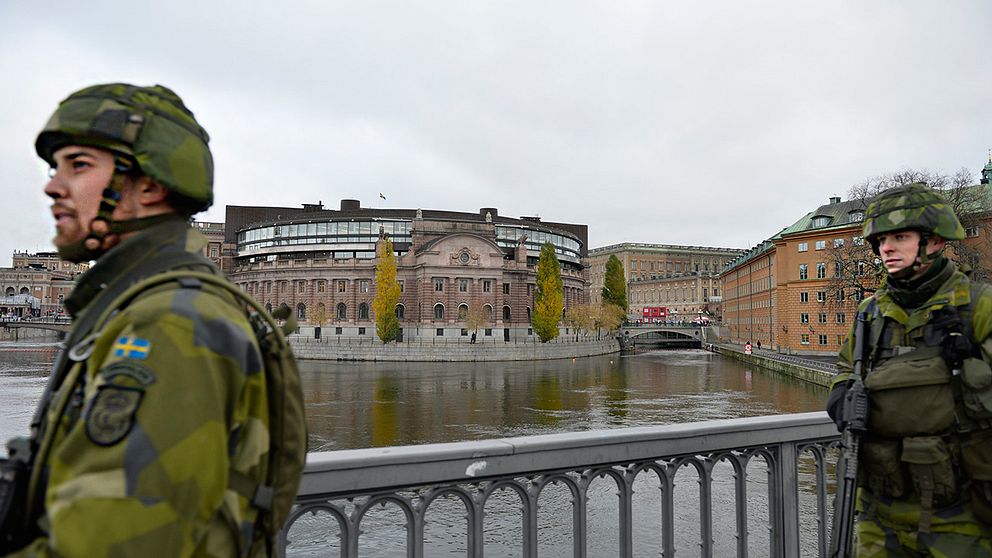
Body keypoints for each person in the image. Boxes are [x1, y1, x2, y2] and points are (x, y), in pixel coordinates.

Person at [2, 84, 279, 557]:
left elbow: (116, 545)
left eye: (79, 166)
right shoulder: (141, 305)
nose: (52, 185)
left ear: (149, 187)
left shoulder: (169, 324)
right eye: (56, 167)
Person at [827, 183, 992, 556]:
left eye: (900, 237)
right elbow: (845, 367)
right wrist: (841, 398)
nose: (886, 248)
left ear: (934, 241)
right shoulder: (871, 313)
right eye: (881, 239)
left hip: (962, 514)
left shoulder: (978, 307)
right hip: (880, 509)